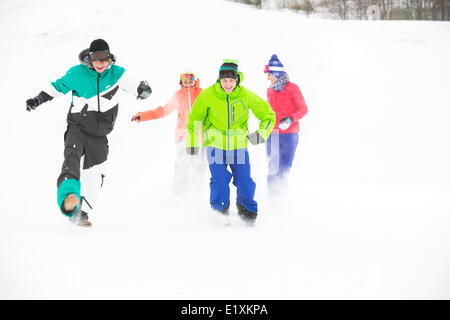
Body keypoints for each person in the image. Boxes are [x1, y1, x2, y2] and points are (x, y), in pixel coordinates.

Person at [26, 39, 152, 227]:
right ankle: (69, 197)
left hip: (100, 134)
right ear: (89, 59)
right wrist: (38, 99)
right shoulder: (77, 73)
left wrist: (143, 89)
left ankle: (81, 212)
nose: (100, 64)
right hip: (77, 127)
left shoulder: (117, 74)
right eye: (96, 60)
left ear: (110, 59)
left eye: (104, 60)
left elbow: (134, 85)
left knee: (97, 173)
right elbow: (58, 87)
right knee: (72, 159)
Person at [186, 59, 275, 225]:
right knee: (219, 180)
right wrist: (192, 142)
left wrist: (262, 133)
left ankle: (246, 211)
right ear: (219, 80)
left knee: (245, 181)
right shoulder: (208, 95)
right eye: (224, 80)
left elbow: (268, 115)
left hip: (238, 146)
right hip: (214, 146)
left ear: (237, 80)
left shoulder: (245, 95)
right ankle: (219, 212)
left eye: (231, 81)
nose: (228, 84)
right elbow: (194, 120)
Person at [131, 69, 205, 195]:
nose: (188, 83)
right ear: (181, 82)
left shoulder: (202, 94)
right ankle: (179, 193)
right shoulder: (178, 95)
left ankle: (197, 193)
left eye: (190, 80)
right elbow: (163, 111)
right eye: (185, 81)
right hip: (182, 135)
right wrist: (143, 116)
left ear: (195, 81)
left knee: (199, 165)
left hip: (200, 136)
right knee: (182, 164)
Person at [263, 54, 308, 196]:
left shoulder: (293, 88)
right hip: (273, 134)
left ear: (276, 73)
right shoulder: (270, 90)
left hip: (289, 135)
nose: (268, 78)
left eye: (269, 74)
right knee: (272, 168)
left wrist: (290, 119)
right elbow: (270, 112)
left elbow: (303, 109)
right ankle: (272, 199)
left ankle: (282, 198)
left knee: (284, 169)